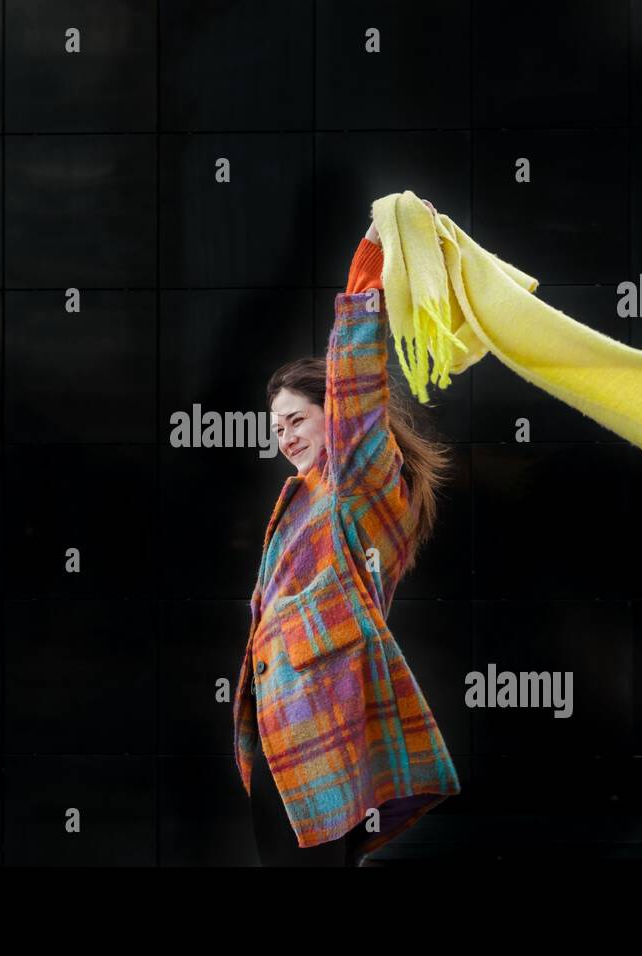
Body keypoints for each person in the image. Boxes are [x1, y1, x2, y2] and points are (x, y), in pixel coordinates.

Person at [236, 200, 462, 867]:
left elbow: (356, 399)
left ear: (332, 418)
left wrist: (365, 285)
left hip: (324, 724)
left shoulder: (360, 484)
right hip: (282, 728)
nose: (283, 435)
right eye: (274, 426)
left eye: (295, 419)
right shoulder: (301, 495)